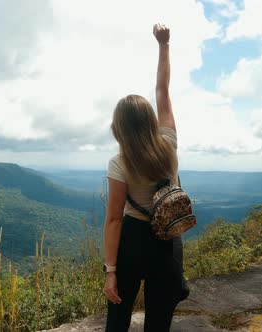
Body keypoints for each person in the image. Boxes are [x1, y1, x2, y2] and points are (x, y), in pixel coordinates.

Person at [103, 23, 188, 332]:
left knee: (118, 316)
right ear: (150, 121)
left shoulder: (119, 163)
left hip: (133, 240)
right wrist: (164, 45)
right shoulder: (168, 142)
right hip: (168, 239)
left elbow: (114, 219)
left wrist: (110, 271)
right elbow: (163, 90)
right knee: (159, 322)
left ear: (120, 127)